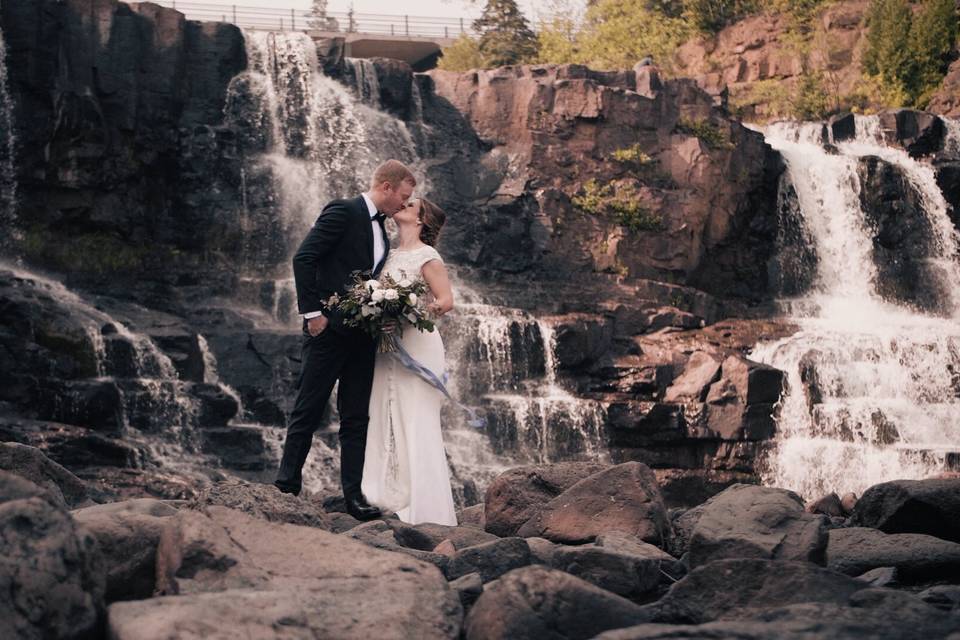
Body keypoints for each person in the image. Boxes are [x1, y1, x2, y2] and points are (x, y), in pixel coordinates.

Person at [274, 159, 415, 522]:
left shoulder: (383, 229)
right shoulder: (343, 210)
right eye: (403, 196)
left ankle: (354, 497)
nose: (404, 204)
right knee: (308, 409)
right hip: (328, 331)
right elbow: (304, 258)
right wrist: (312, 313)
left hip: (363, 336)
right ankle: (286, 485)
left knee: (356, 418)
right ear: (386, 186)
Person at [360, 197, 458, 526]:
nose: (403, 203)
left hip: (418, 344)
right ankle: (384, 497)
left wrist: (407, 311)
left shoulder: (428, 256)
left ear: (421, 219)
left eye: (411, 203)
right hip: (387, 345)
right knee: (384, 412)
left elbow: (445, 301)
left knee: (415, 418)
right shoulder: (387, 254)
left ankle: (427, 513)